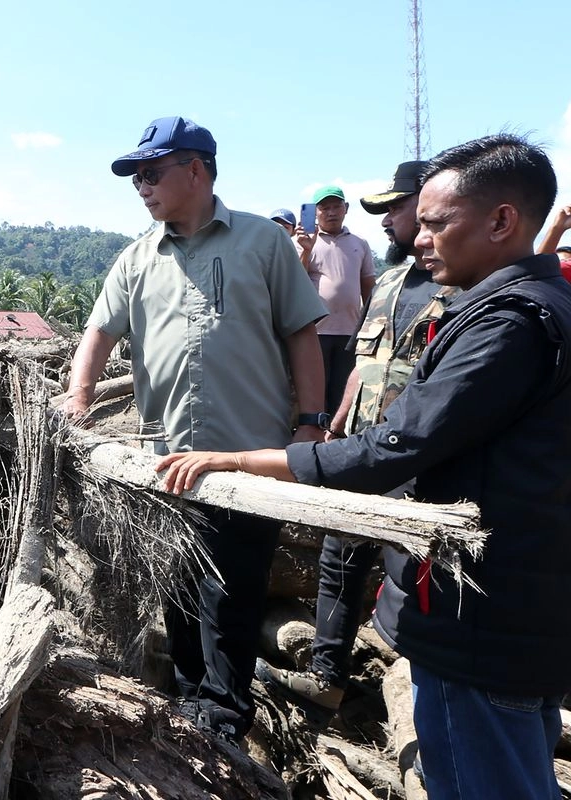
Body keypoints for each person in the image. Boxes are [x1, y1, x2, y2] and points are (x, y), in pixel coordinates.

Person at [158, 133, 571, 800]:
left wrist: (240, 458)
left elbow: (391, 451)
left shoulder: (511, 325)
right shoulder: (528, 308)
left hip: (482, 620)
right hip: (513, 609)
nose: (420, 237)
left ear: (501, 221)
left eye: (438, 223)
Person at [60, 115, 328, 744]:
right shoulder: (136, 259)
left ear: (197, 170)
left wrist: (311, 423)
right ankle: (185, 697)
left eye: (152, 174)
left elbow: (302, 333)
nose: (142, 187)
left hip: (247, 457)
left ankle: (226, 715)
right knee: (178, 583)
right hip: (165, 456)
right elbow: (99, 333)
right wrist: (77, 397)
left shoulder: (263, 244)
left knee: (234, 591)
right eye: (136, 179)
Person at [258, 160, 460, 721]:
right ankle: (327, 677)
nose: (390, 220)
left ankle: (423, 695)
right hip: (364, 445)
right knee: (339, 559)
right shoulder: (393, 280)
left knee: (414, 572)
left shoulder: (466, 286)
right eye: (390, 211)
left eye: (397, 207)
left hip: (424, 462)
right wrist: (337, 415)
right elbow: (365, 360)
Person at [296, 185, 377, 414]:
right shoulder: (303, 241)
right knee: (314, 390)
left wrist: (371, 323)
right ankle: (314, 437)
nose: (331, 212)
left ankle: (336, 437)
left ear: (346, 208)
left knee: (342, 392)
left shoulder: (359, 244)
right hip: (315, 331)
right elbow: (294, 283)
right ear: (316, 212)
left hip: (350, 332)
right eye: (324, 207)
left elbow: (368, 286)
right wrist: (305, 250)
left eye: (336, 206)